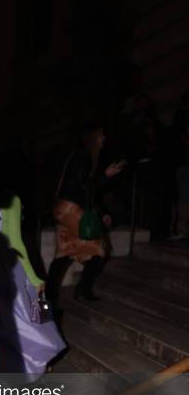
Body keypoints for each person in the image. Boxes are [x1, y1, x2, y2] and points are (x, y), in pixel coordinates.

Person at [0, 153, 66, 377]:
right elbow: (15, 241)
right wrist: (35, 279)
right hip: (8, 265)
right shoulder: (11, 199)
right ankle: (35, 364)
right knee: (27, 317)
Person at [46, 123, 124, 307]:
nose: (104, 139)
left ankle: (49, 294)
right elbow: (83, 187)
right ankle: (83, 290)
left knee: (64, 252)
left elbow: (84, 188)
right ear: (93, 136)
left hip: (63, 208)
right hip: (72, 208)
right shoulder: (84, 156)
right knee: (98, 249)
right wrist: (105, 175)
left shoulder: (77, 154)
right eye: (101, 135)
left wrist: (100, 211)